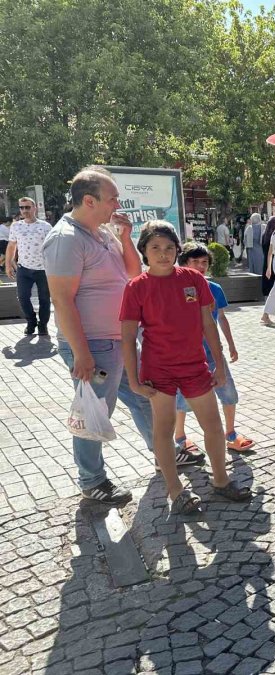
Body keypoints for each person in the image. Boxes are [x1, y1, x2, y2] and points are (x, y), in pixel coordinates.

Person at [42, 166, 166, 505]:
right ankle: (92, 481)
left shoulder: (102, 232)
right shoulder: (65, 238)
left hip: (119, 341)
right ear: (88, 200)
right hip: (93, 345)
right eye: (112, 199)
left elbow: (131, 272)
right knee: (93, 413)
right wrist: (82, 354)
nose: (118, 205)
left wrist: (125, 239)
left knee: (144, 397)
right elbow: (61, 299)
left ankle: (164, 456)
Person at [120, 222, 251, 513]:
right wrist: (133, 379)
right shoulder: (136, 287)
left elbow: (208, 324)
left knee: (213, 426)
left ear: (178, 250)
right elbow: (127, 338)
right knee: (163, 431)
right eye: (155, 248)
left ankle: (220, 479)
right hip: (159, 370)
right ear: (144, 251)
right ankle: (176, 490)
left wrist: (218, 365)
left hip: (195, 365)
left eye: (169, 248)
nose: (163, 254)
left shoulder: (193, 279)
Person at [173, 242, 255, 453]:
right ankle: (180, 436)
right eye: (195, 262)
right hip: (187, 356)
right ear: (183, 263)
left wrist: (231, 345)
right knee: (182, 398)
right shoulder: (176, 288)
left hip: (212, 352)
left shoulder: (214, 289)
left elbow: (221, 317)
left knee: (228, 392)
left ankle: (231, 434)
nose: (201, 266)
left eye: (204, 262)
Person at [6, 198, 52, 336]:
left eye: (27, 207)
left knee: (44, 299)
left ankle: (43, 325)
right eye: (22, 208)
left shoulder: (45, 227)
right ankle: (31, 321)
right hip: (24, 268)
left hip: (43, 269)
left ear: (34, 208)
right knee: (23, 297)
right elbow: (12, 246)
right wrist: (8, 264)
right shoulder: (16, 226)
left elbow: (52, 248)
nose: (24, 210)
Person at [260, 216, 275, 297]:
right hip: (274, 259)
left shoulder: (265, 234)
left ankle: (267, 293)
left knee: (267, 278)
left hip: (266, 260)